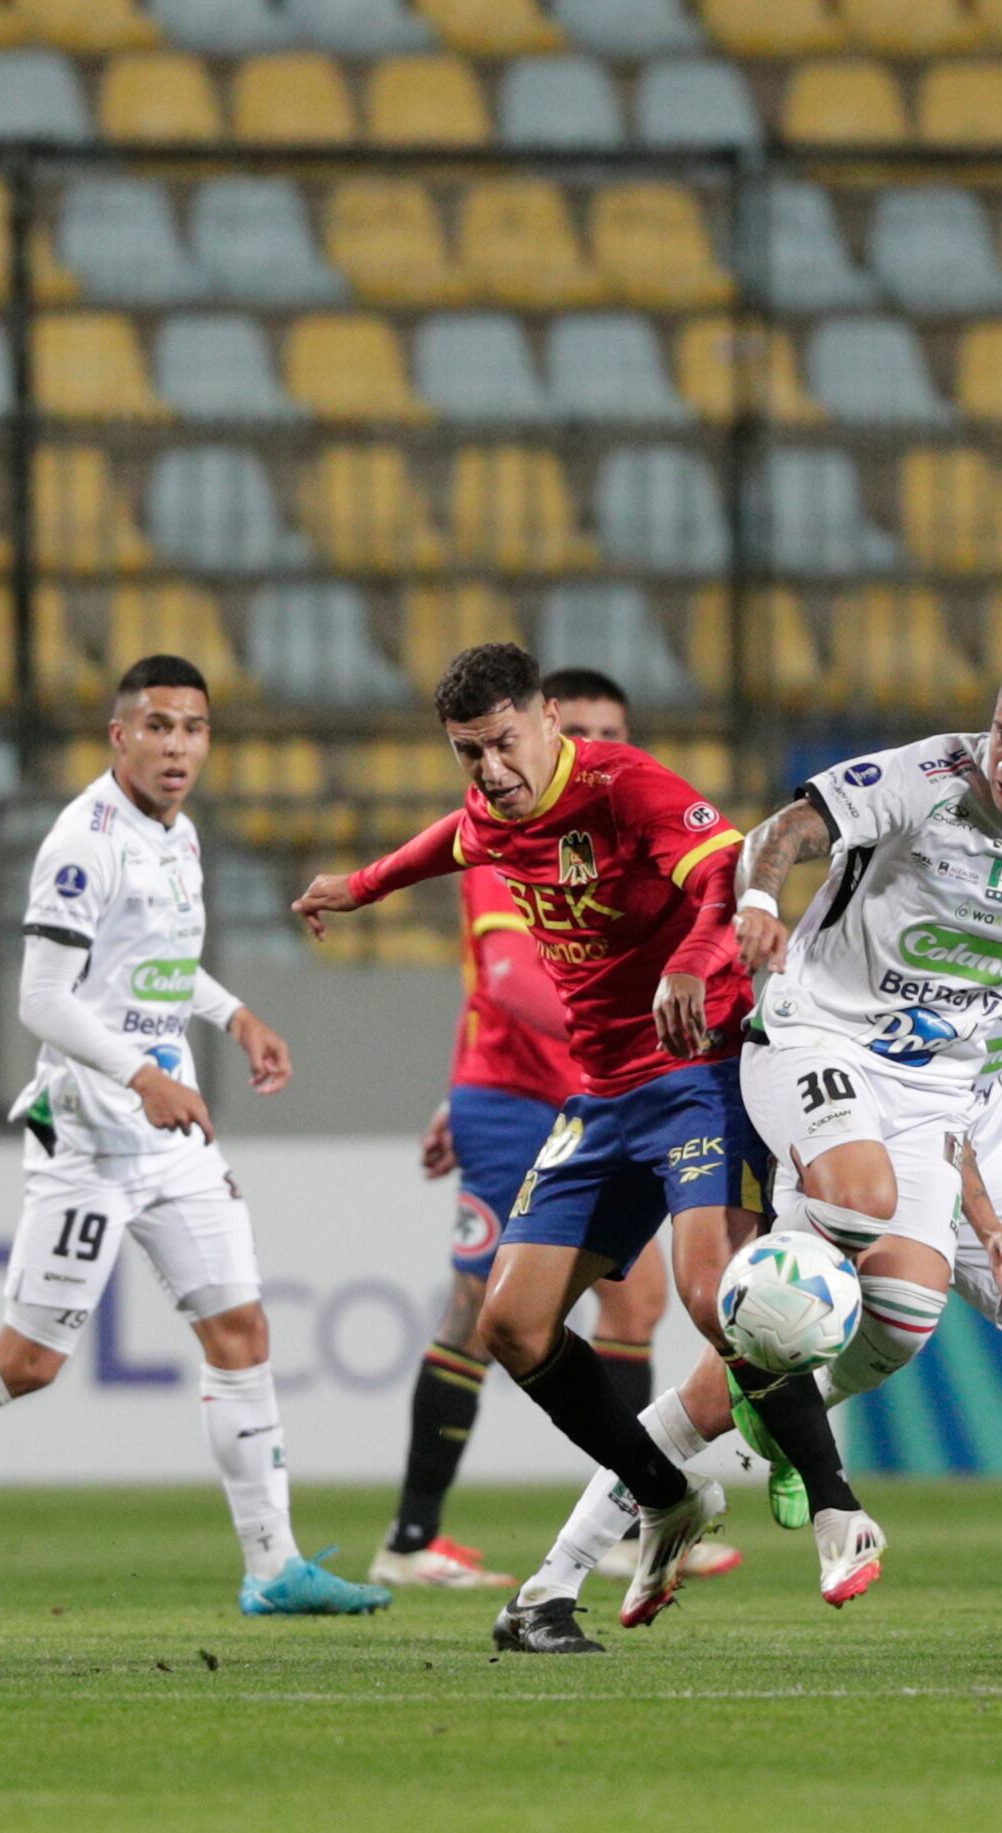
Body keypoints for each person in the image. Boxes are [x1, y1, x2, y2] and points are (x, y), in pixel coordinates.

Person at [505, 643, 1002, 1650]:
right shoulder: (928, 777)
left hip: (955, 1124)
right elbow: (781, 831)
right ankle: (805, 1469)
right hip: (823, 1045)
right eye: (1000, 731)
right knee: (854, 1228)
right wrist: (761, 904)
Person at [0, 656, 390, 1617]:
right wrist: (141, 1075)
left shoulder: (177, 838)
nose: (177, 745)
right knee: (30, 1362)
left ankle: (272, 1563)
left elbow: (159, 968)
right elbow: (41, 999)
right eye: (158, 726)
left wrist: (234, 1017)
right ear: (120, 736)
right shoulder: (83, 840)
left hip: (168, 1129)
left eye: (193, 728)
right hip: (92, 1137)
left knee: (239, 1327)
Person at [293, 644, 853, 1654]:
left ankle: (832, 1503)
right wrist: (358, 885)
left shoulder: (624, 784)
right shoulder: (493, 809)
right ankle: (662, 1493)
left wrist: (689, 966)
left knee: (706, 1291)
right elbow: (444, 842)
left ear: (548, 718)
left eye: (502, 742)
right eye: (468, 751)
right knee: (509, 1321)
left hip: (696, 1070)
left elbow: (730, 877)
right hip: (598, 1096)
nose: (488, 769)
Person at [370, 668, 738, 1591]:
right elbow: (511, 980)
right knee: (479, 1311)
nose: (600, 751)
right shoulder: (513, 825)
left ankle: (629, 1510)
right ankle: (413, 1535)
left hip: (602, 1095)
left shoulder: (618, 804)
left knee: (637, 1301)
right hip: (524, 1097)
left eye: (612, 735)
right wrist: (610, 1061)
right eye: (584, 729)